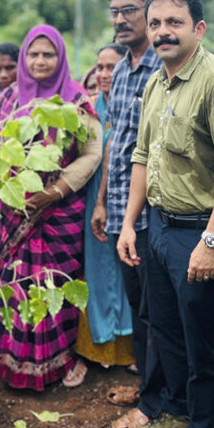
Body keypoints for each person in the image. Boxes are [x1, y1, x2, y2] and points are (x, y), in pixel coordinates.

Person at [116, 0, 214, 428]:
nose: (161, 32)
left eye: (173, 22)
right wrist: (130, 224)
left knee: (200, 342)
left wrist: (212, 241)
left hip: (198, 233)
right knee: (164, 329)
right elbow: (142, 157)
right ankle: (174, 414)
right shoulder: (158, 81)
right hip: (157, 228)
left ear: (198, 28)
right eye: (155, 23)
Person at [0, 24, 103, 391]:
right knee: (15, 286)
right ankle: (13, 363)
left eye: (48, 54)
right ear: (23, 58)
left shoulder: (75, 100)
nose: (40, 61)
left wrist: (55, 191)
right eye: (33, 54)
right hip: (11, 212)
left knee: (55, 288)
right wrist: (5, 188)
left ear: (61, 58)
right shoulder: (7, 100)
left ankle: (59, 362)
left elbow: (92, 154)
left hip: (58, 213)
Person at [91, 0, 168, 428]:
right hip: (119, 208)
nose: (120, 19)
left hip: (152, 213)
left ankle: (157, 404)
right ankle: (146, 384)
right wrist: (102, 202)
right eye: (114, 11)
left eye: (130, 10)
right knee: (138, 303)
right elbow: (115, 139)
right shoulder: (121, 69)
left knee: (157, 312)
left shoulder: (164, 68)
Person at [66, 42, 135, 389]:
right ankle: (89, 352)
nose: (105, 74)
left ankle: (129, 352)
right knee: (93, 275)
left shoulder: (135, 108)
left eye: (113, 67)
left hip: (128, 203)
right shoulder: (88, 111)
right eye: (100, 68)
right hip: (91, 202)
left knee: (127, 277)